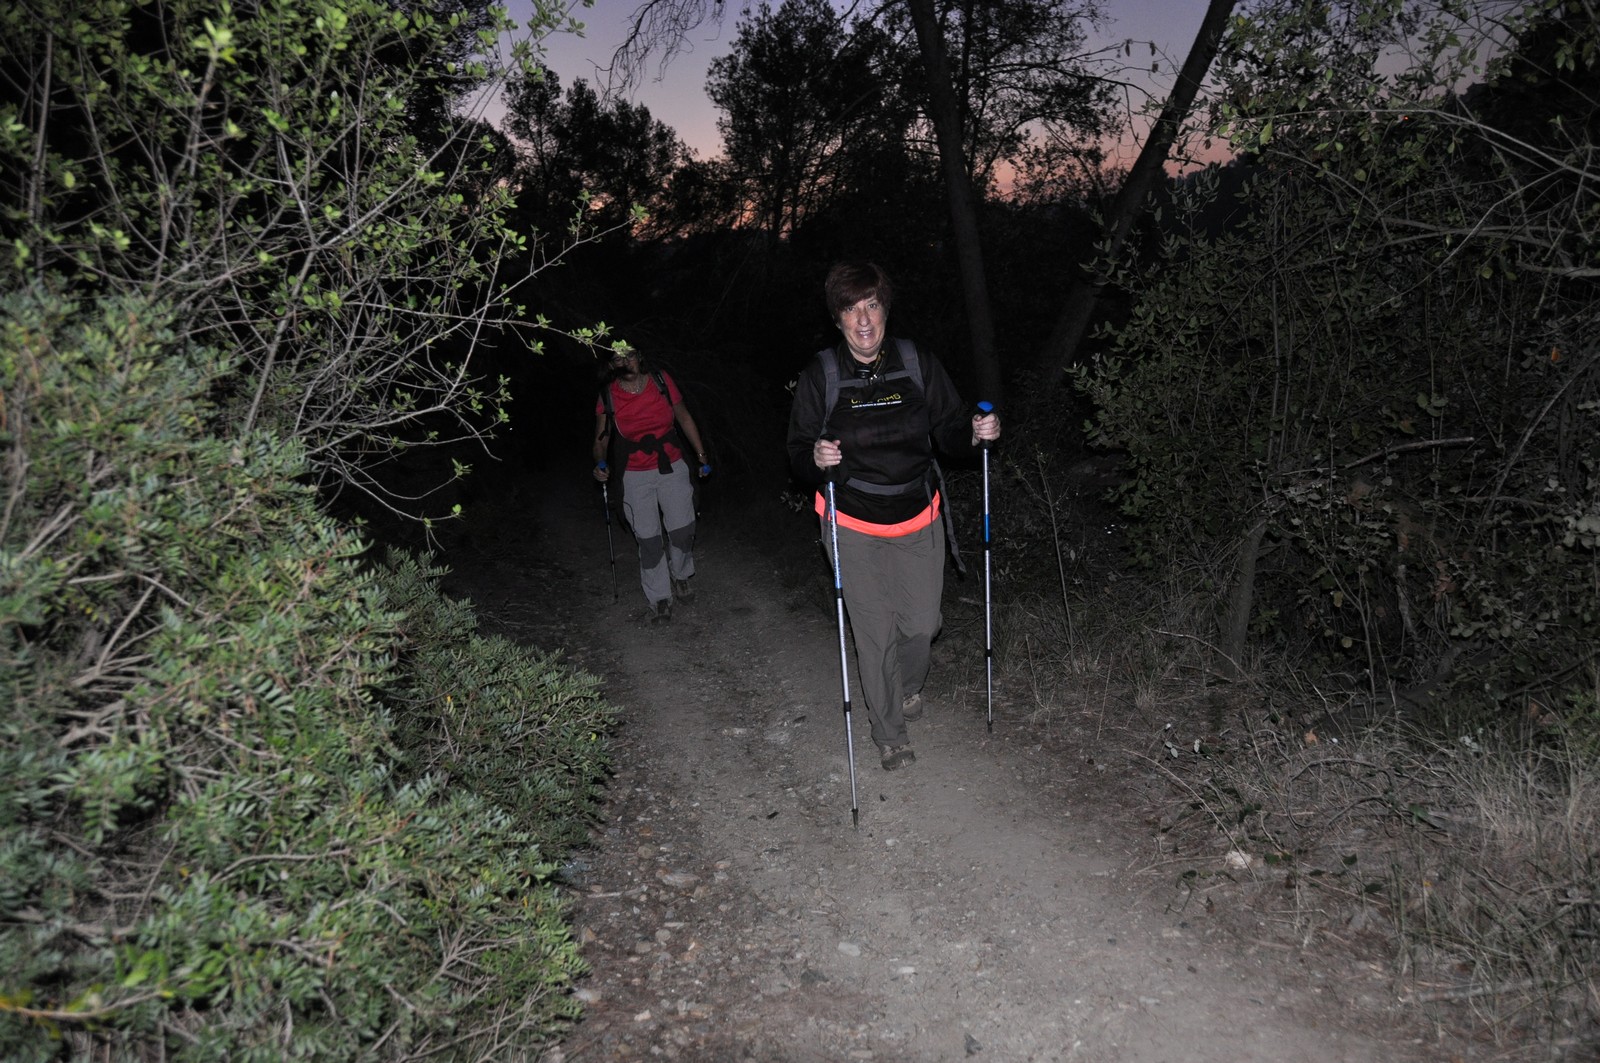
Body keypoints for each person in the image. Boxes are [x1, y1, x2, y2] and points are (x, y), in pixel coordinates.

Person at [786, 262, 1001, 771]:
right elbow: (797, 451)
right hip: (851, 523)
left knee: (923, 625)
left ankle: (905, 686)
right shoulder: (822, 375)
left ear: (885, 310)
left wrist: (975, 433)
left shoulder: (915, 362)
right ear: (837, 318)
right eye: (851, 309)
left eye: (872, 305)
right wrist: (815, 457)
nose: (863, 320)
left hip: (917, 516)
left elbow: (949, 426)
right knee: (875, 634)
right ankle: (889, 734)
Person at [593, 347, 711, 623]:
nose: (626, 361)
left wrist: (701, 455)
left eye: (630, 354)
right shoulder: (608, 395)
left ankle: (680, 574)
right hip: (634, 473)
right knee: (648, 539)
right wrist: (600, 463)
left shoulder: (660, 380)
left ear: (639, 357)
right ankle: (659, 598)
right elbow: (601, 438)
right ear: (612, 365)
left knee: (683, 529)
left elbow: (683, 416)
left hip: (671, 463)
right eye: (618, 358)